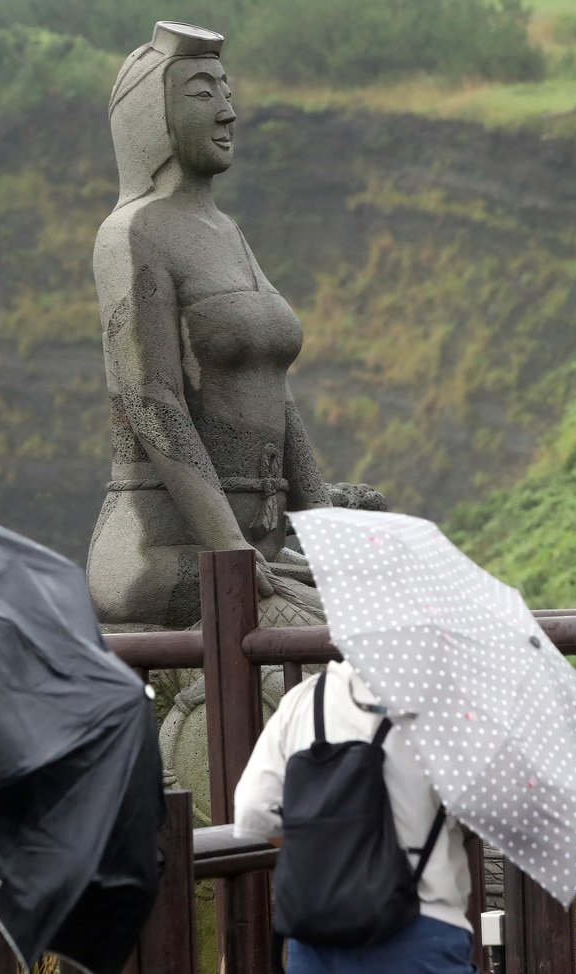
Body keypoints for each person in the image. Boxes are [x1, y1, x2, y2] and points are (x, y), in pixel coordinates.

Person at [87, 21, 334, 630]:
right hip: (165, 556)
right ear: (153, 116)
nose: (228, 112)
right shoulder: (132, 233)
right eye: (203, 94)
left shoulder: (229, 234)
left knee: (395, 605)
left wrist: (334, 536)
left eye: (227, 92)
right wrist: (231, 551)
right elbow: (153, 401)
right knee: (334, 643)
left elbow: (278, 401)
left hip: (258, 553)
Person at [233, 658, 476, 974]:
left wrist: (328, 858)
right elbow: (488, 808)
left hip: (315, 933)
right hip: (419, 927)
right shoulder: (450, 709)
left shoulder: (305, 699)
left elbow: (254, 808)